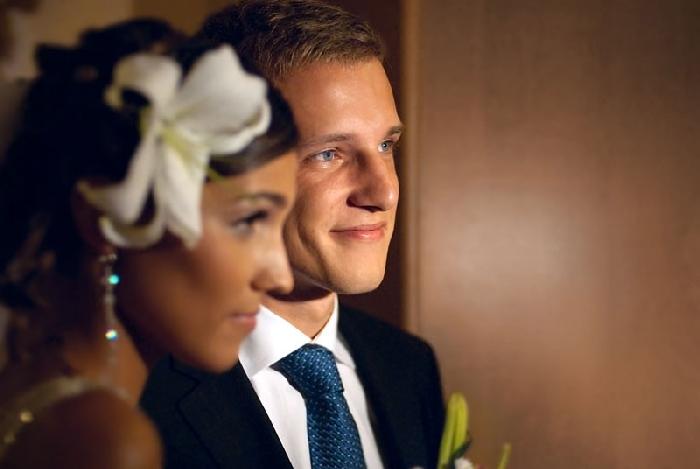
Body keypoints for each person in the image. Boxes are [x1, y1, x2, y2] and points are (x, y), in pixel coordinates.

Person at [142, 2, 445, 469]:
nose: (383, 192)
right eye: (329, 154)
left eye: (386, 145)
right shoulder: (142, 395)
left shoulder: (409, 366)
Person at [0, 18, 298, 468]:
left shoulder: (29, 385)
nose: (280, 276)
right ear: (103, 220)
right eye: (249, 220)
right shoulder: (104, 441)